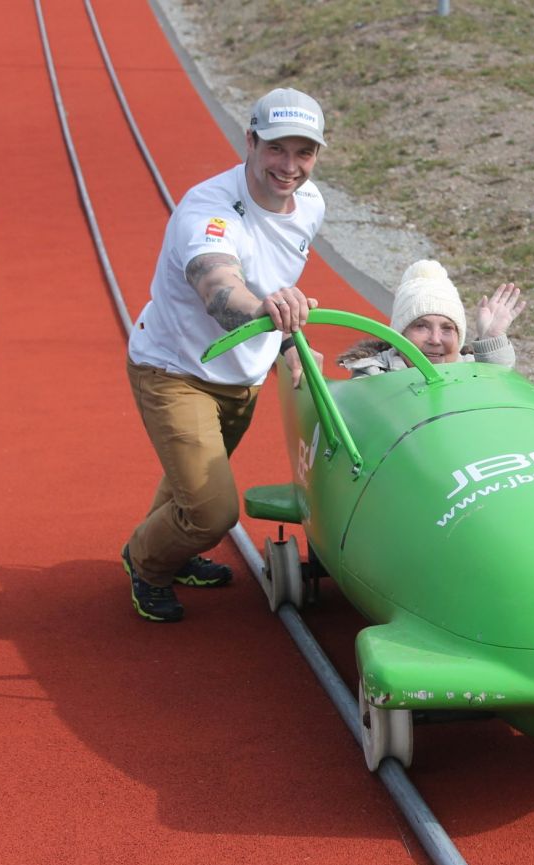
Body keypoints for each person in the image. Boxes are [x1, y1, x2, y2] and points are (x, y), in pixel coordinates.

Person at [123, 87, 327, 623]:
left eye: (303, 153)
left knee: (188, 488)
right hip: (175, 369)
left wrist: (287, 343)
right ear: (251, 141)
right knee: (213, 511)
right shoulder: (208, 210)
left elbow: (274, 281)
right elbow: (219, 291)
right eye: (277, 149)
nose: (289, 166)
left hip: (241, 375)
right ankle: (144, 563)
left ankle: (172, 550)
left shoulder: (311, 205)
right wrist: (269, 310)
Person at [337, 259, 526, 376]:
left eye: (447, 328)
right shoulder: (373, 374)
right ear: (400, 333)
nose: (435, 339)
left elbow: (501, 386)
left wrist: (492, 338)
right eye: (421, 326)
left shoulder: (475, 370)